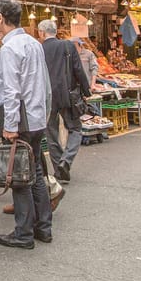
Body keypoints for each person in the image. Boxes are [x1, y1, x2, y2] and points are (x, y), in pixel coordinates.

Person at [0, 0, 52, 250]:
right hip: (37, 118)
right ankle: (43, 228)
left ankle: (23, 233)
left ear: (1, 18)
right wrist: (45, 113)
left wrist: (10, 125)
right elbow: (46, 86)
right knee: (35, 173)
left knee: (20, 177)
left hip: (22, 122)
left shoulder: (10, 48)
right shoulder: (34, 44)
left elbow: (11, 92)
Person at [39, 19, 89, 183]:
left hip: (47, 97)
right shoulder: (67, 46)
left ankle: (60, 168)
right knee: (75, 128)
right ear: (55, 31)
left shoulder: (39, 49)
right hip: (67, 94)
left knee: (51, 133)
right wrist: (86, 90)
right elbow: (78, 69)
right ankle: (65, 162)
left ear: (41, 33)